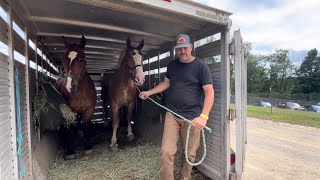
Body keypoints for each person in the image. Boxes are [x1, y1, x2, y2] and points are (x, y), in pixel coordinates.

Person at [139, 34, 214, 180]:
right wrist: (149, 92)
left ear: (191, 48)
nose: (182, 52)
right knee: (166, 152)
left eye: (185, 48)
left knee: (190, 154)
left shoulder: (201, 66)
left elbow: (209, 92)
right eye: (179, 49)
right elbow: (166, 83)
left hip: (192, 118)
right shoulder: (172, 65)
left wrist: (204, 116)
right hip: (172, 114)